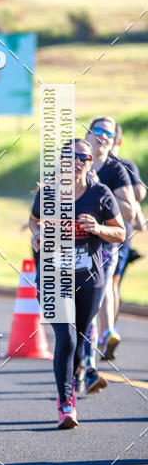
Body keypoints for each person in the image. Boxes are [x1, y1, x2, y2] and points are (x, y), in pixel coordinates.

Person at [29, 139, 125, 428]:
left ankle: (79, 372)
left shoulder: (99, 194)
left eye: (84, 157)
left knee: (80, 339)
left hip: (89, 278)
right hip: (53, 277)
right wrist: (36, 235)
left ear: (89, 162)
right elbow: (34, 220)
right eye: (71, 156)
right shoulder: (48, 193)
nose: (78, 162)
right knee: (67, 339)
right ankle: (66, 404)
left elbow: (120, 233)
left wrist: (97, 228)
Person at [83, 116, 135, 363]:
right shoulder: (73, 162)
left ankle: (91, 359)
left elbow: (130, 212)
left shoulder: (117, 170)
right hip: (74, 245)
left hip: (106, 246)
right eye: (99, 130)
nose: (103, 136)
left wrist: (102, 195)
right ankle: (81, 357)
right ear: (88, 133)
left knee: (98, 294)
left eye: (109, 134)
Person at [111, 123, 146, 321]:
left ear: (119, 142)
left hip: (120, 234)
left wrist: (116, 188)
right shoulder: (88, 164)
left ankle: (108, 331)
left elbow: (140, 192)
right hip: (92, 234)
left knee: (113, 283)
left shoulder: (125, 165)